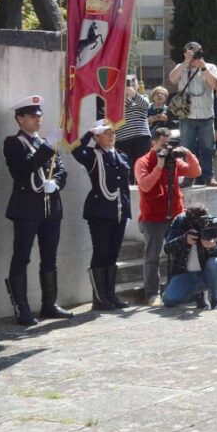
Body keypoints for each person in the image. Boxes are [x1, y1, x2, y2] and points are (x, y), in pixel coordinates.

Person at [3, 95, 70, 324]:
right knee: (21, 257)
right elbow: (25, 166)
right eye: (32, 116)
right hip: (26, 209)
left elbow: (61, 171)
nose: (37, 120)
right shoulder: (14, 143)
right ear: (20, 119)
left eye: (39, 116)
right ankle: (21, 308)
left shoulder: (45, 142)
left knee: (49, 257)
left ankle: (49, 304)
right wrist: (48, 146)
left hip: (50, 209)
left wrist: (56, 183)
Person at [133, 127, 201, 306]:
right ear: (153, 143)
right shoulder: (143, 162)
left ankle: (177, 291)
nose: (166, 148)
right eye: (163, 145)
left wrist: (187, 153)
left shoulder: (174, 161)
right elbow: (145, 185)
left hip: (175, 215)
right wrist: (159, 166)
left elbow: (195, 172)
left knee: (180, 255)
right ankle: (152, 294)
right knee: (152, 258)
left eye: (169, 144)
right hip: (152, 217)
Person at [72, 120, 132, 311]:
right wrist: (89, 134)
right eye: (106, 132)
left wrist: (127, 211)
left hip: (119, 210)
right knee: (102, 251)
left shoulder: (122, 155)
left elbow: (124, 186)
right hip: (100, 211)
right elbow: (76, 150)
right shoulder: (92, 155)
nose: (111, 135)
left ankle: (110, 294)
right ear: (97, 137)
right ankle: (99, 297)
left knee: (113, 253)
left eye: (112, 132)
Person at [167, 42, 217, 186]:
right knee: (187, 148)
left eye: (197, 52)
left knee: (207, 148)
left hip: (206, 114)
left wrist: (203, 67)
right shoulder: (181, 67)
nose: (194, 55)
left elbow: (215, 84)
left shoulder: (210, 67)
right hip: (187, 115)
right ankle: (188, 177)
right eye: (190, 52)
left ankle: (209, 177)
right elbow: (172, 79)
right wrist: (186, 62)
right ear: (185, 53)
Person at [161, 204, 217, 309]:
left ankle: (216, 299)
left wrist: (211, 247)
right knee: (169, 300)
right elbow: (167, 248)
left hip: (207, 274)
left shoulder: (213, 224)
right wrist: (183, 239)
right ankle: (198, 295)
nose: (198, 227)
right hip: (186, 275)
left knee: (216, 263)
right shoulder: (180, 221)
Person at [116, 76, 152, 163]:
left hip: (142, 136)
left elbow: (145, 105)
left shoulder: (143, 96)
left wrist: (131, 92)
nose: (130, 83)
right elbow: (119, 111)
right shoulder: (116, 99)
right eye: (127, 82)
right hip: (123, 138)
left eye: (133, 81)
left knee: (141, 164)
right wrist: (127, 95)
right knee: (126, 165)